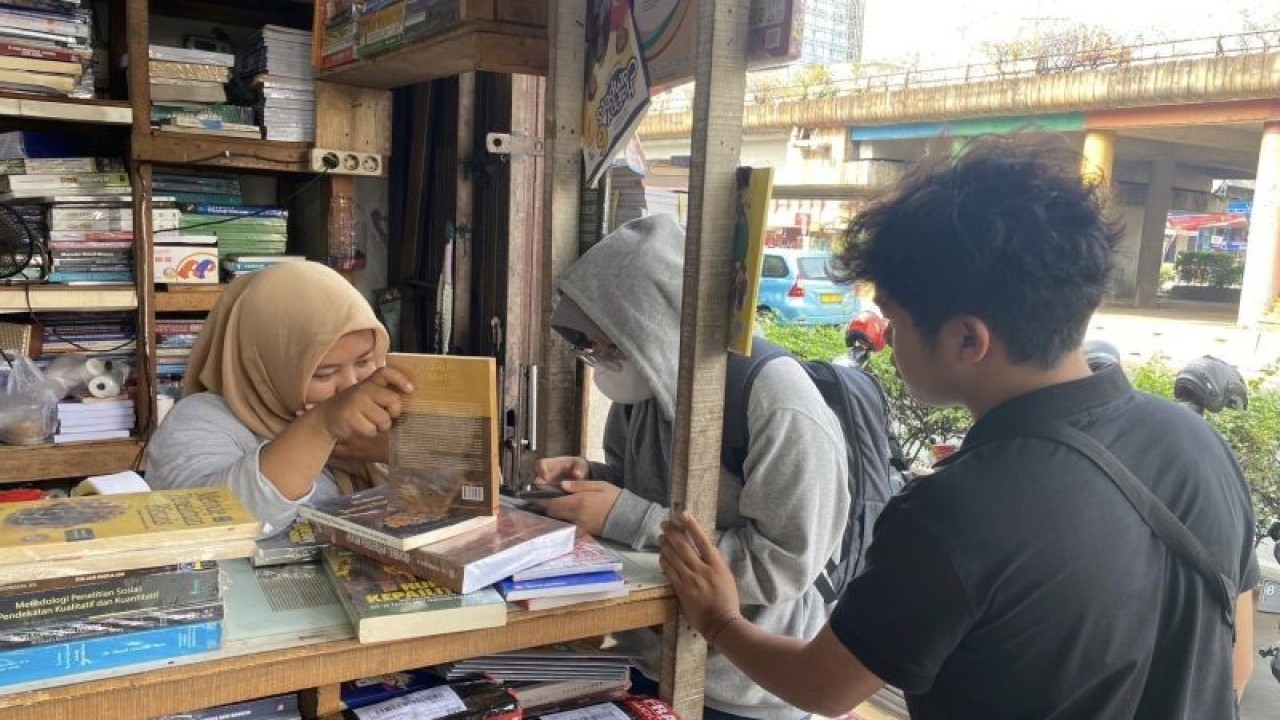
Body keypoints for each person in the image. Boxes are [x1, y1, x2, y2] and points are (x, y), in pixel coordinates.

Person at [658, 135, 1259, 720]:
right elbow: (1233, 669)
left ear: (968, 338)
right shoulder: (1198, 443)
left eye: (893, 318)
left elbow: (824, 688)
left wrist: (719, 619)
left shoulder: (955, 510)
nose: (888, 339)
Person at [532, 214, 851, 720]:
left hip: (747, 687)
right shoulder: (642, 392)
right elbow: (646, 490)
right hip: (652, 659)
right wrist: (591, 479)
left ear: (653, 325)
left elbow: (784, 565)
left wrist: (628, 516)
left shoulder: (774, 402)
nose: (599, 358)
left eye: (609, 343)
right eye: (589, 347)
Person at [147, 261, 414, 537]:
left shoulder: (385, 411)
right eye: (325, 374)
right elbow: (217, 525)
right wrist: (321, 427)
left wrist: (396, 450)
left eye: (365, 361)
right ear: (265, 364)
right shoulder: (200, 421)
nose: (352, 386)